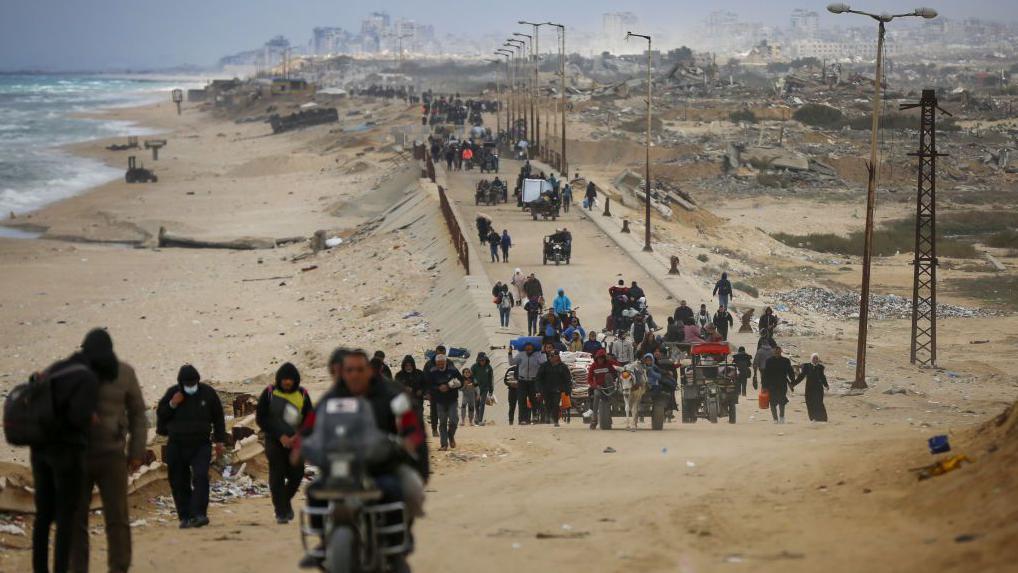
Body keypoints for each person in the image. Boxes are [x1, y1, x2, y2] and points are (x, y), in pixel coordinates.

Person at [296, 349, 428, 570]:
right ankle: (322, 542)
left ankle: (396, 548)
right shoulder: (334, 396)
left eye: (359, 370)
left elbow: (410, 423)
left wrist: (408, 441)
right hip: (342, 465)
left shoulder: (390, 393)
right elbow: (312, 423)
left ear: (369, 370)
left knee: (404, 490)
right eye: (348, 371)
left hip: (382, 464)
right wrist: (302, 442)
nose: (353, 376)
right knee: (314, 491)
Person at [70, 330, 146, 573]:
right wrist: (136, 452)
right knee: (117, 518)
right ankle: (119, 567)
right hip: (112, 456)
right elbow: (138, 415)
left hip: (78, 457)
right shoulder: (124, 372)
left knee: (76, 520)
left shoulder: (73, 371)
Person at [32, 331, 103, 573]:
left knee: (42, 517)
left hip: (39, 451)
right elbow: (79, 417)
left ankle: (40, 568)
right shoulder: (88, 378)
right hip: (67, 454)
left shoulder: (55, 369)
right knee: (65, 518)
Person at [156, 364, 226, 528]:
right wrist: (173, 404)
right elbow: (161, 415)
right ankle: (185, 517)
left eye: (193, 383)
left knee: (201, 476)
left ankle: (199, 514)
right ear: (181, 383)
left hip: (201, 444)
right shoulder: (173, 394)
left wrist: (219, 440)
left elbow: (218, 417)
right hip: (176, 445)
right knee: (179, 481)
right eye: (187, 384)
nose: (190, 387)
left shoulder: (208, 393)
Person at [255, 363, 313, 524]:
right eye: (285, 379)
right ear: (279, 379)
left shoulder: (303, 394)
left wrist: (298, 436)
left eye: (291, 379)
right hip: (274, 440)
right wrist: (280, 436)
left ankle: (284, 502)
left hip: (296, 441)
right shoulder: (269, 393)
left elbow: (309, 419)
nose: (287, 382)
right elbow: (261, 418)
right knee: (277, 474)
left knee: (297, 474)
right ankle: (281, 512)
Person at [425, 355, 463, 450]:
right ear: (436, 363)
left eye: (442, 363)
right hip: (439, 400)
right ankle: (444, 444)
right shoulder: (432, 372)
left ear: (445, 362)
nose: (440, 365)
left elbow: (461, 381)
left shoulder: (453, 370)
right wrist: (438, 388)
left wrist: (449, 386)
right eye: (438, 364)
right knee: (442, 422)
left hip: (452, 399)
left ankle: (450, 435)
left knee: (454, 420)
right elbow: (428, 385)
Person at [512, 342, 545, 425]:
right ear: (525, 348)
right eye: (527, 347)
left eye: (530, 347)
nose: (529, 349)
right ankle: (522, 419)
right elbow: (511, 362)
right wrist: (509, 353)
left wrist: (543, 352)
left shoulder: (537, 355)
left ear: (533, 348)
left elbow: (544, 362)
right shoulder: (521, 355)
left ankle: (535, 416)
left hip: (533, 381)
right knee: (521, 401)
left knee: (534, 400)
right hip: (522, 381)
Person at [536, 350, 572, 427]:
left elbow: (567, 379)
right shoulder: (544, 366)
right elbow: (539, 378)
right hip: (546, 389)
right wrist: (539, 389)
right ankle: (548, 416)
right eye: (549, 356)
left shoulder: (563, 367)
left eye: (552, 356)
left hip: (557, 389)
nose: (551, 357)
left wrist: (567, 389)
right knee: (548, 404)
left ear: (557, 356)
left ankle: (555, 420)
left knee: (556, 404)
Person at [762, 346, 795, 423]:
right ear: (773, 352)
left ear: (781, 352)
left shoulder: (786, 361)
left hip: (782, 385)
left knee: (781, 401)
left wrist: (792, 382)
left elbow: (790, 372)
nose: (777, 353)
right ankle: (775, 419)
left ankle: (782, 417)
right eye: (775, 352)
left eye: (778, 352)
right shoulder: (769, 361)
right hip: (771, 385)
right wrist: (764, 386)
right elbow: (765, 374)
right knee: (772, 403)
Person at [586, 349, 617, 429]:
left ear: (604, 358)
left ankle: (609, 412)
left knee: (608, 376)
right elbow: (589, 380)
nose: (600, 360)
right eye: (599, 358)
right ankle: (594, 419)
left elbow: (618, 367)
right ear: (596, 358)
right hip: (599, 387)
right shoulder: (593, 366)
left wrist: (611, 360)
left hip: (610, 387)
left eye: (602, 358)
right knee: (596, 395)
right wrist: (595, 386)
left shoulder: (609, 363)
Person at [794, 354, 829, 422]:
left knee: (819, 402)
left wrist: (826, 385)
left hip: (818, 388)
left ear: (818, 360)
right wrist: (794, 384)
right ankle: (813, 418)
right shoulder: (806, 366)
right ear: (811, 359)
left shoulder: (820, 367)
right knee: (809, 403)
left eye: (816, 358)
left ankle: (823, 418)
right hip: (809, 388)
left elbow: (822, 377)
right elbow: (801, 376)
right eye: (814, 358)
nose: (815, 360)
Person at [395, 355, 426, 426]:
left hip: (418, 400)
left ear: (413, 365)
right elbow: (396, 387)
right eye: (406, 365)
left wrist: (422, 391)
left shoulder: (419, 373)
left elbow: (425, 385)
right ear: (403, 365)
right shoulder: (399, 375)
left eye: (410, 365)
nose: (408, 367)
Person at [471, 353, 494, 425]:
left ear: (486, 359)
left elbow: (491, 379)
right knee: (477, 404)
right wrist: (474, 382)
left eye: (483, 360)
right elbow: (471, 376)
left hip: (485, 388)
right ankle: (477, 418)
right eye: (481, 360)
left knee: (482, 404)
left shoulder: (489, 367)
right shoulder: (474, 367)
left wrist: (491, 390)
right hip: (476, 388)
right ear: (478, 360)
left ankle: (480, 420)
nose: (482, 361)